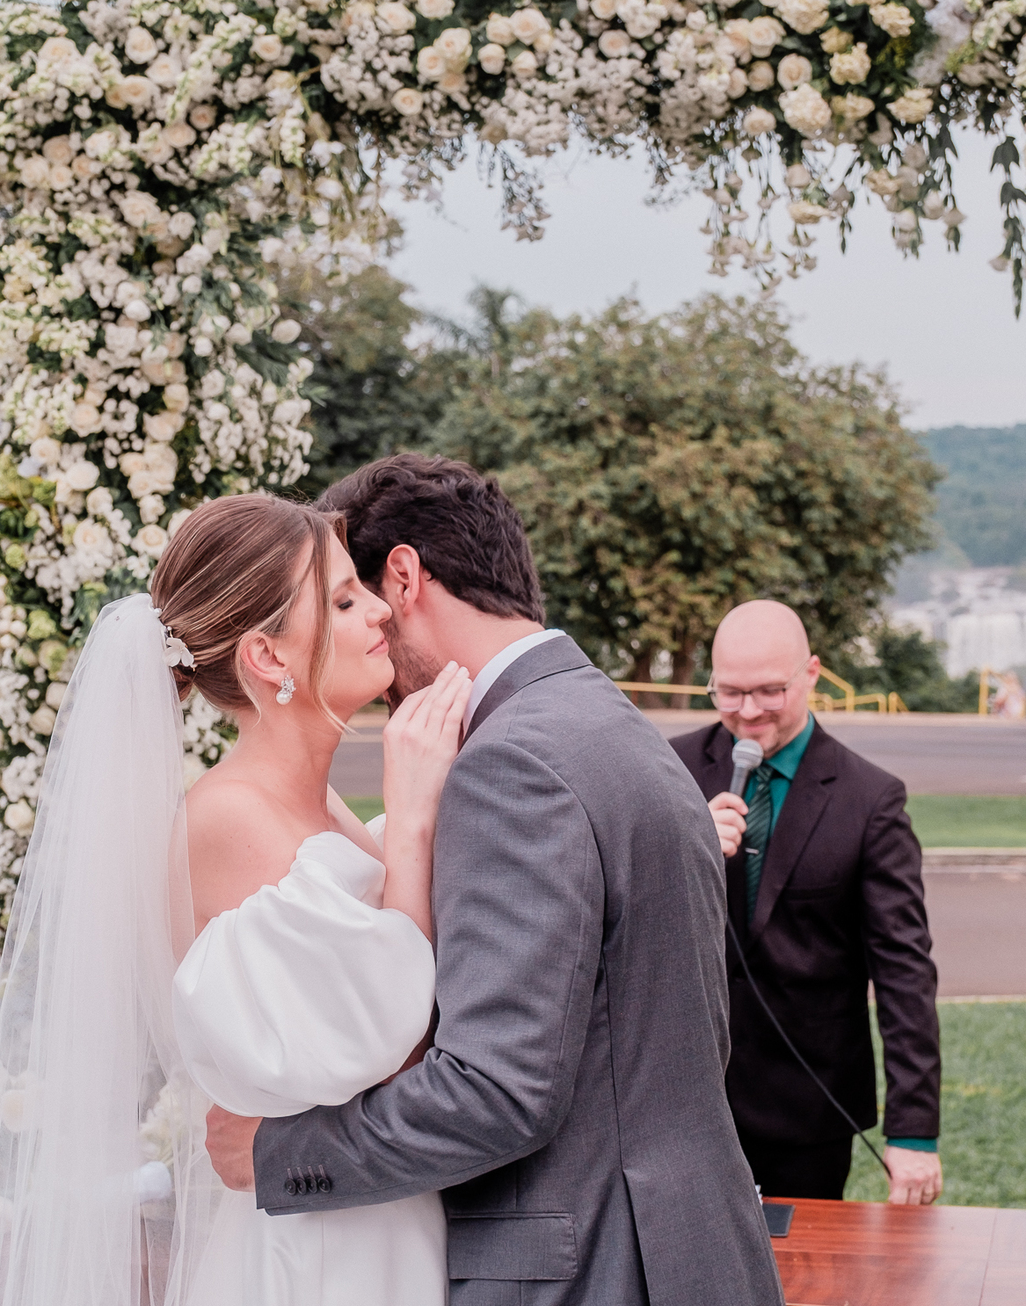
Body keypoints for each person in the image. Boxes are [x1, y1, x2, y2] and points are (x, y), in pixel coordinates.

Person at [206, 453, 783, 1306]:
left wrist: (276, 1153)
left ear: (404, 577)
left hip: (592, 1268)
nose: (361, 626)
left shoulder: (510, 763)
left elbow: (499, 1092)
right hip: (691, 1248)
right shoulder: (616, 729)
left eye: (356, 597)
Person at [0, 492, 472, 1306]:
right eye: (345, 599)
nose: (379, 614)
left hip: (375, 1220)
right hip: (321, 1256)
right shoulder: (225, 820)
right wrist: (416, 814)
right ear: (269, 658)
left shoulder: (319, 807)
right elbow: (392, 1037)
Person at [670, 599, 942, 1206]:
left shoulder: (871, 800)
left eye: (770, 691)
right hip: (679, 1100)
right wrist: (683, 851)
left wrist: (914, 1131)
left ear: (812, 675)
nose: (747, 713)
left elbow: (904, 973)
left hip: (808, 1109)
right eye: (729, 693)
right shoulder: (667, 768)